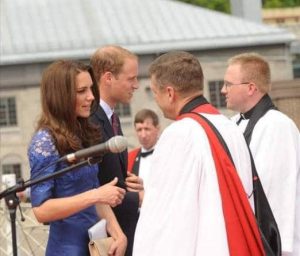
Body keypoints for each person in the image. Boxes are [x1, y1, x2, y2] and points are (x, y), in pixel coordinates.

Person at [133, 51, 265, 256]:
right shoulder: (229, 126)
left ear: (170, 93)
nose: (156, 101)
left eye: (155, 93)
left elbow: (165, 219)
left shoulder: (178, 134)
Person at [28, 60, 127, 256]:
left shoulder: (85, 132)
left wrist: (118, 234)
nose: (91, 97)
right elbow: (41, 210)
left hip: (96, 245)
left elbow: (93, 191)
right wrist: (96, 195)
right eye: (82, 91)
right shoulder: (45, 141)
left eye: (91, 89)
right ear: (60, 96)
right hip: (66, 250)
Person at [221, 52, 300, 256]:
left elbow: (277, 193)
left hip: (273, 243)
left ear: (251, 88)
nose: (223, 90)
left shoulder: (278, 126)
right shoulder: (232, 124)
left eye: (229, 84)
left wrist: (275, 247)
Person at [90, 45, 143, 256]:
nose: (136, 85)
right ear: (108, 77)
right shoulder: (91, 120)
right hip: (106, 239)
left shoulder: (112, 117)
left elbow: (112, 178)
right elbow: (92, 185)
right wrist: (138, 198)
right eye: (131, 78)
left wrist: (130, 186)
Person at [127, 109, 160, 188]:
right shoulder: (130, 157)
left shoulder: (169, 153)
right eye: (139, 130)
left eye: (147, 129)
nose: (143, 135)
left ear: (157, 129)